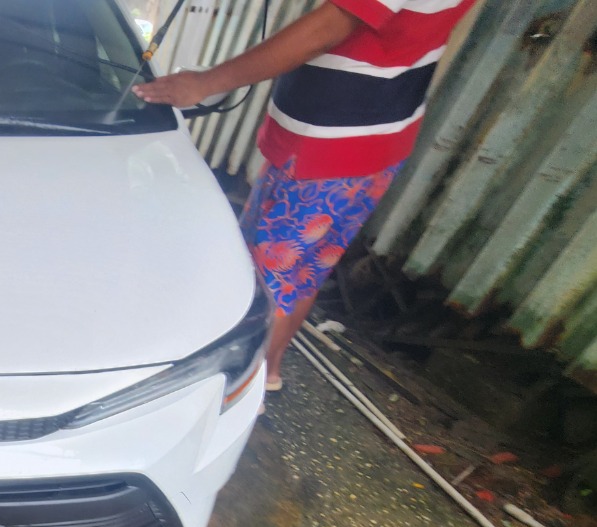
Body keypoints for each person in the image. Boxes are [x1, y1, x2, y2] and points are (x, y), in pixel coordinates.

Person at [136, 0, 477, 391]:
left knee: (262, 278)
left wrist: (206, 83)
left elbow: (328, 27)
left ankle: (236, 387)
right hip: (380, 141)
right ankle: (268, 371)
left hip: (330, 143)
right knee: (304, 271)